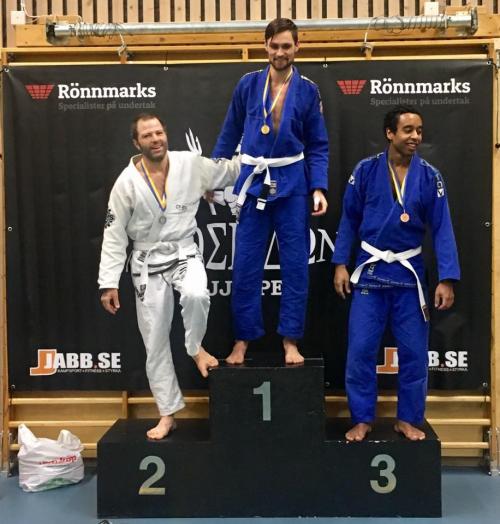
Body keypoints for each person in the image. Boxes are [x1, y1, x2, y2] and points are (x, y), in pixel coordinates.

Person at [98, 113, 239, 439]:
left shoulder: (189, 164)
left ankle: (194, 347)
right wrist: (108, 282)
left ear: (166, 134)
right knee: (155, 341)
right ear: (137, 143)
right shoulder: (126, 183)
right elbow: (114, 234)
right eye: (147, 135)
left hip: (184, 251)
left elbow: (227, 171)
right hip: (146, 261)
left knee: (197, 294)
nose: (155, 139)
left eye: (159, 132)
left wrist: (259, 157)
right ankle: (167, 414)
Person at [332, 106, 460, 442]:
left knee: (414, 353)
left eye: (419, 130)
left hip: (408, 276)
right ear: (390, 133)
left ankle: (408, 418)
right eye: (408, 130)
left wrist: (447, 277)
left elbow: (442, 228)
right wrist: (341, 263)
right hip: (370, 273)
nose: (415, 136)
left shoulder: (430, 177)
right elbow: (348, 219)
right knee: (361, 350)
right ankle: (362, 418)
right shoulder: (365, 171)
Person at [212, 17, 329, 365]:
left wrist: (318, 187)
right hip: (253, 184)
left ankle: (290, 340)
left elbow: (318, 144)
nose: (280, 52)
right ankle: (242, 340)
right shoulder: (248, 84)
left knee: (295, 266)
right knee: (245, 265)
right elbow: (229, 133)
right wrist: (214, 177)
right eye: (274, 46)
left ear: (297, 47)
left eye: (286, 46)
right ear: (265, 46)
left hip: (292, 185)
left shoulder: (307, 90)